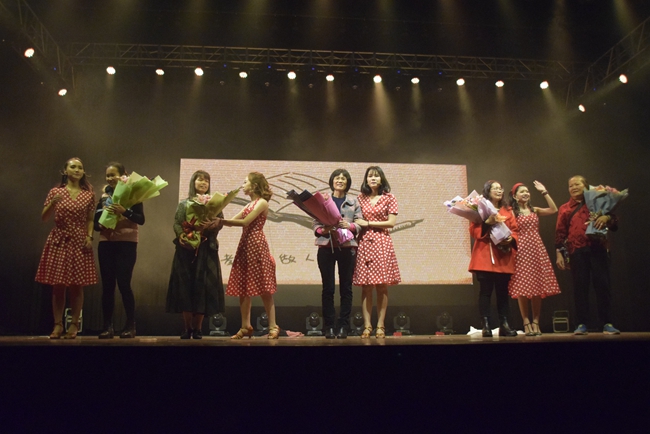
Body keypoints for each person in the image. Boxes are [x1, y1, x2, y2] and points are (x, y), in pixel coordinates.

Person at [36, 157, 97, 339]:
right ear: (65, 171)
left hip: (79, 239)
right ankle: (57, 324)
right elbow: (44, 218)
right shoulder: (56, 192)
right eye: (73, 167)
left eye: (80, 167)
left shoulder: (88, 195)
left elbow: (90, 219)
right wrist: (52, 203)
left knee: (77, 285)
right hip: (60, 239)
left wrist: (89, 236)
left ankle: (74, 324)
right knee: (58, 285)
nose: (77, 170)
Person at [555, 175, 620, 335]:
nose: (573, 187)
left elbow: (614, 223)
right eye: (570, 185)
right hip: (576, 251)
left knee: (603, 286)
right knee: (580, 288)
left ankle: (607, 322)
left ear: (586, 186)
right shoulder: (565, 208)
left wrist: (606, 217)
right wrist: (559, 253)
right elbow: (560, 233)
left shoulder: (597, 202)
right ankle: (581, 323)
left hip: (598, 248)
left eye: (577, 184)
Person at [166, 170, 225, 339]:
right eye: (200, 180)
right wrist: (182, 235)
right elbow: (177, 223)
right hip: (186, 250)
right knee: (185, 287)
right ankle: (187, 328)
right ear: (193, 182)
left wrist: (210, 226)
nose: (203, 183)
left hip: (206, 249)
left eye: (206, 180)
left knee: (203, 288)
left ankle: (198, 328)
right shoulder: (184, 204)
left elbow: (220, 223)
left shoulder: (214, 204)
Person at [222, 172, 279, 339]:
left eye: (245, 182)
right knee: (243, 287)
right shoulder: (249, 204)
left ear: (254, 186)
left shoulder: (261, 202)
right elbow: (233, 221)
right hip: (245, 245)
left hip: (257, 245)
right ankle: (245, 326)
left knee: (264, 287)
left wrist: (221, 222)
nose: (243, 185)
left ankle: (273, 326)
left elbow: (245, 222)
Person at [94, 162, 145, 339]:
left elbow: (141, 219)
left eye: (113, 174)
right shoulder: (103, 196)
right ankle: (107, 326)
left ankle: (130, 325)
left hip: (126, 243)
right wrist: (101, 224)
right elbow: (95, 224)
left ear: (124, 175)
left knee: (124, 284)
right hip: (106, 243)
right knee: (108, 286)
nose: (110, 178)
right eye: (108, 175)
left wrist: (125, 211)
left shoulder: (133, 193)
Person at [313, 169, 362, 339]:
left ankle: (343, 326)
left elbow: (359, 223)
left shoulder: (353, 201)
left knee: (346, 288)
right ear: (332, 181)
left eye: (343, 178)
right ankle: (329, 327)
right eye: (337, 178)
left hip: (347, 248)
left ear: (348, 183)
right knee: (328, 288)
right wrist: (323, 230)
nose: (340, 180)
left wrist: (350, 226)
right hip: (326, 247)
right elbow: (315, 223)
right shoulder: (324, 200)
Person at [353, 166, 401, 339]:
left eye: (376, 176)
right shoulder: (360, 198)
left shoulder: (389, 197)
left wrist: (368, 223)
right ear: (366, 180)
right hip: (364, 242)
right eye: (370, 176)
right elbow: (355, 220)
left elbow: (391, 223)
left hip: (382, 242)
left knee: (382, 285)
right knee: (366, 287)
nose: (373, 179)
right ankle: (367, 326)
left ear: (382, 179)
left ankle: (380, 325)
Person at [508, 181, 560, 336]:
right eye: (522, 191)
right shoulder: (512, 212)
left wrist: (544, 192)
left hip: (536, 248)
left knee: (537, 286)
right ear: (515, 196)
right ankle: (526, 322)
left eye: (527, 191)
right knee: (522, 287)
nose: (526, 193)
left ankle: (536, 321)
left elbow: (554, 209)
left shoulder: (534, 210)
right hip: (521, 249)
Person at [468, 180, 519, 337]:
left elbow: (515, 230)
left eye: (500, 188)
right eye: (495, 188)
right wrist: (487, 223)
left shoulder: (507, 211)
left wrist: (511, 239)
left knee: (503, 293)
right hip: (485, 256)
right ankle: (486, 325)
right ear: (487, 191)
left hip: (502, 256)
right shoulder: (479, 209)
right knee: (485, 292)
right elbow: (473, 231)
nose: (499, 191)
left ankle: (504, 324)